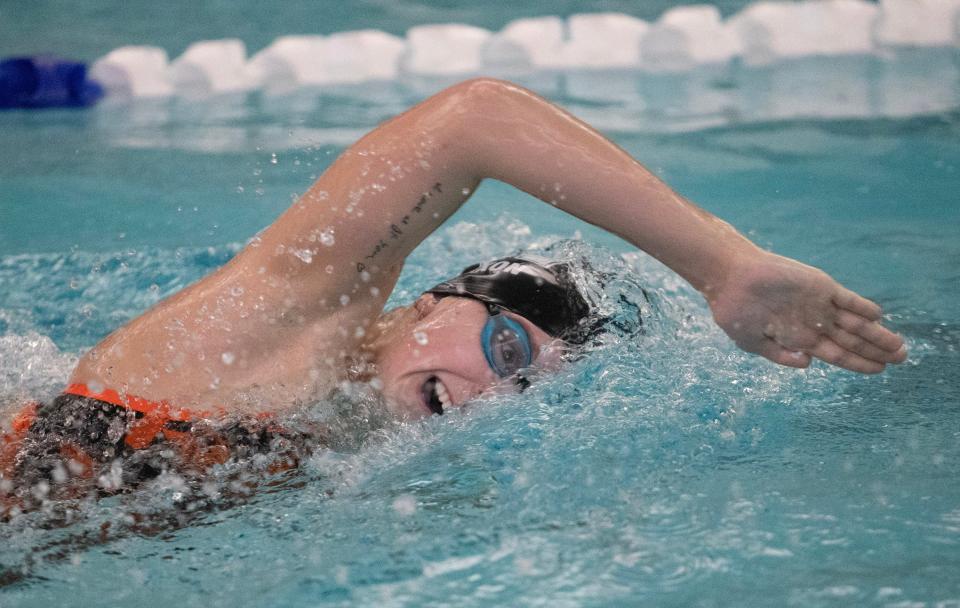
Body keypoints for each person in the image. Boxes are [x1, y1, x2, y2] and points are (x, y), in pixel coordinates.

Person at [2, 78, 906, 510]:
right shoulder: (288, 320)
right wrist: (722, 265)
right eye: (508, 351)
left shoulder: (343, 442)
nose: (494, 394)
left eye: (527, 391)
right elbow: (474, 122)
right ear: (435, 303)